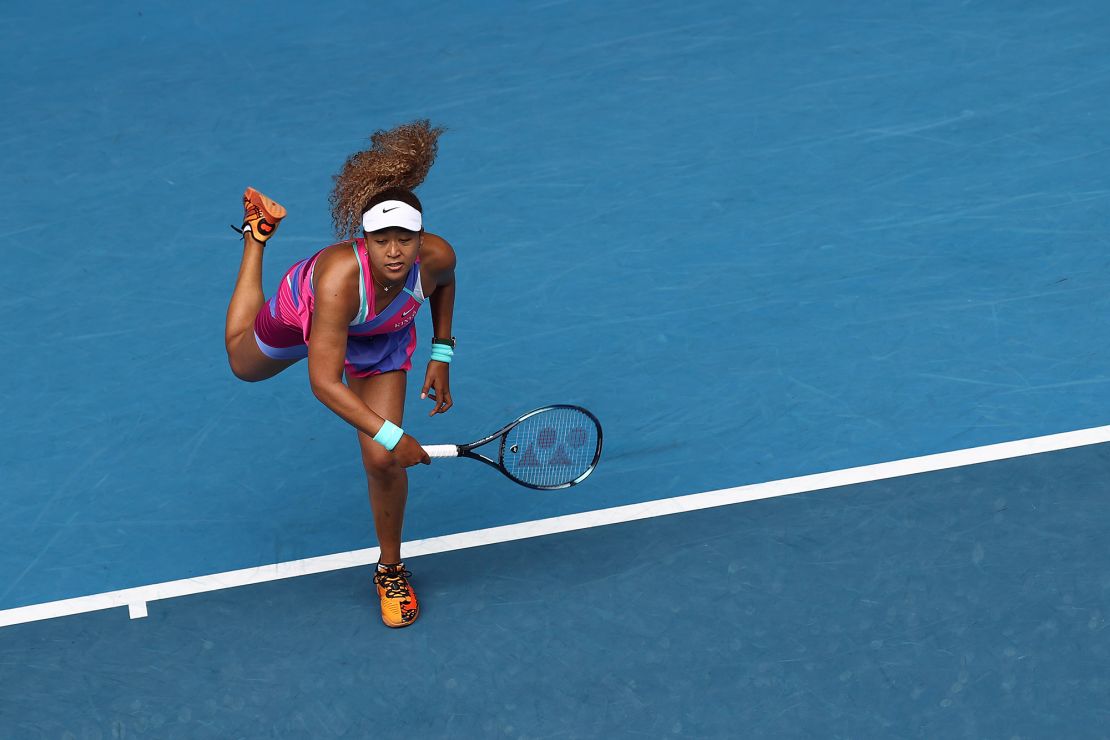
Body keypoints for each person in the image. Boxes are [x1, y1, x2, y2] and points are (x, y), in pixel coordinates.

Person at [223, 120, 456, 628]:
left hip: (381, 338)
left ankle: (390, 569)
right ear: (365, 242)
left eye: (405, 240)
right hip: (312, 314)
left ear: (421, 241)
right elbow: (324, 382)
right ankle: (256, 236)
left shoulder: (436, 257)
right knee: (243, 365)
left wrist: (442, 353)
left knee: (381, 461)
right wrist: (397, 434)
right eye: (382, 241)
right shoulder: (334, 282)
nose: (394, 252)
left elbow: (443, 285)